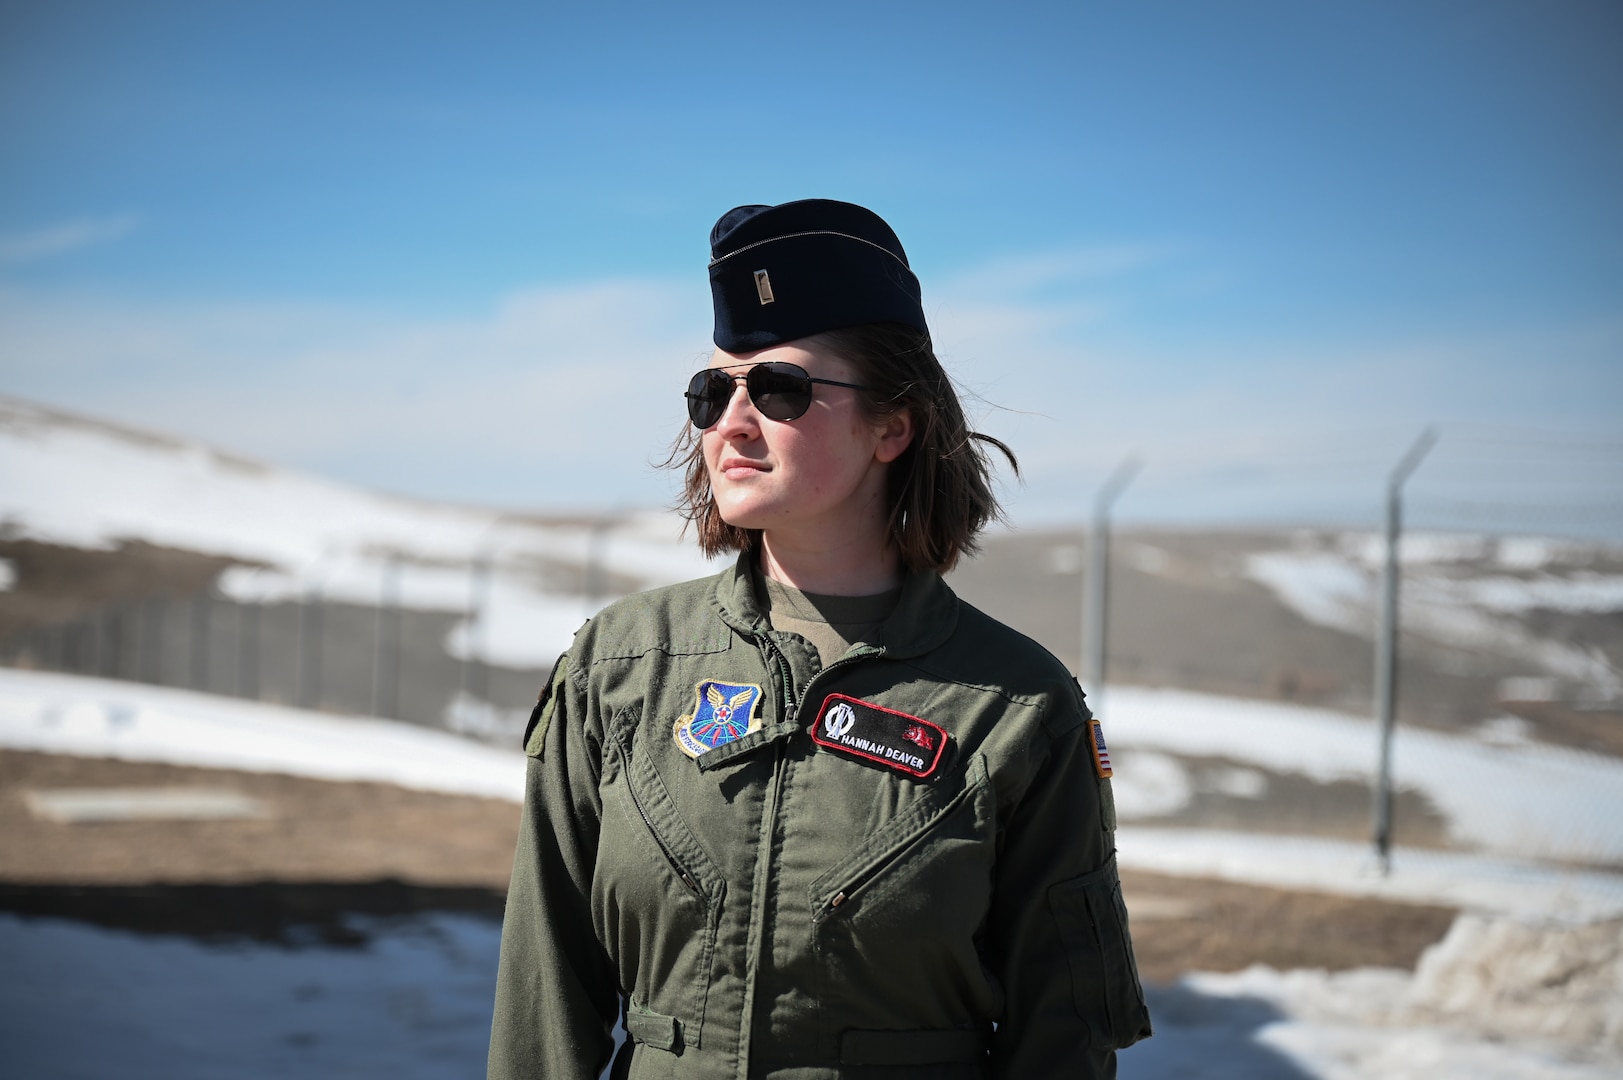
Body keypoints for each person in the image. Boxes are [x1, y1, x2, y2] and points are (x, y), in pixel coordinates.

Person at [488, 199, 1151, 1080]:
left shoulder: (1016, 705)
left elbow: (1063, 1037)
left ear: (891, 425)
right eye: (712, 391)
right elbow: (545, 994)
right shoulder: (620, 668)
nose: (732, 421)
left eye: (779, 389)